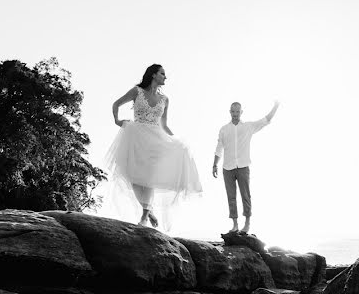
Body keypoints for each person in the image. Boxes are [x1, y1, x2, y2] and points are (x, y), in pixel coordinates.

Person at [104, 64, 202, 228]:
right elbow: (116, 104)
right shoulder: (137, 91)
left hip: (155, 139)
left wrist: (175, 141)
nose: (165, 77)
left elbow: (164, 125)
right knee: (133, 175)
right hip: (135, 136)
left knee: (149, 177)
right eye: (162, 73)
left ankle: (144, 216)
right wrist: (117, 121)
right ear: (153, 75)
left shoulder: (165, 99)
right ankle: (147, 209)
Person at [212, 100, 279, 233]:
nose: (235, 114)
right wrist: (214, 164)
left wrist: (275, 106)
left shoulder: (248, 127)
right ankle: (235, 224)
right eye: (233, 111)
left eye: (238, 111)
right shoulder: (224, 129)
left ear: (241, 112)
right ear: (230, 112)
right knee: (231, 197)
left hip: (243, 166)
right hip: (227, 168)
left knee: (245, 195)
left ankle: (247, 223)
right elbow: (219, 148)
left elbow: (266, 120)